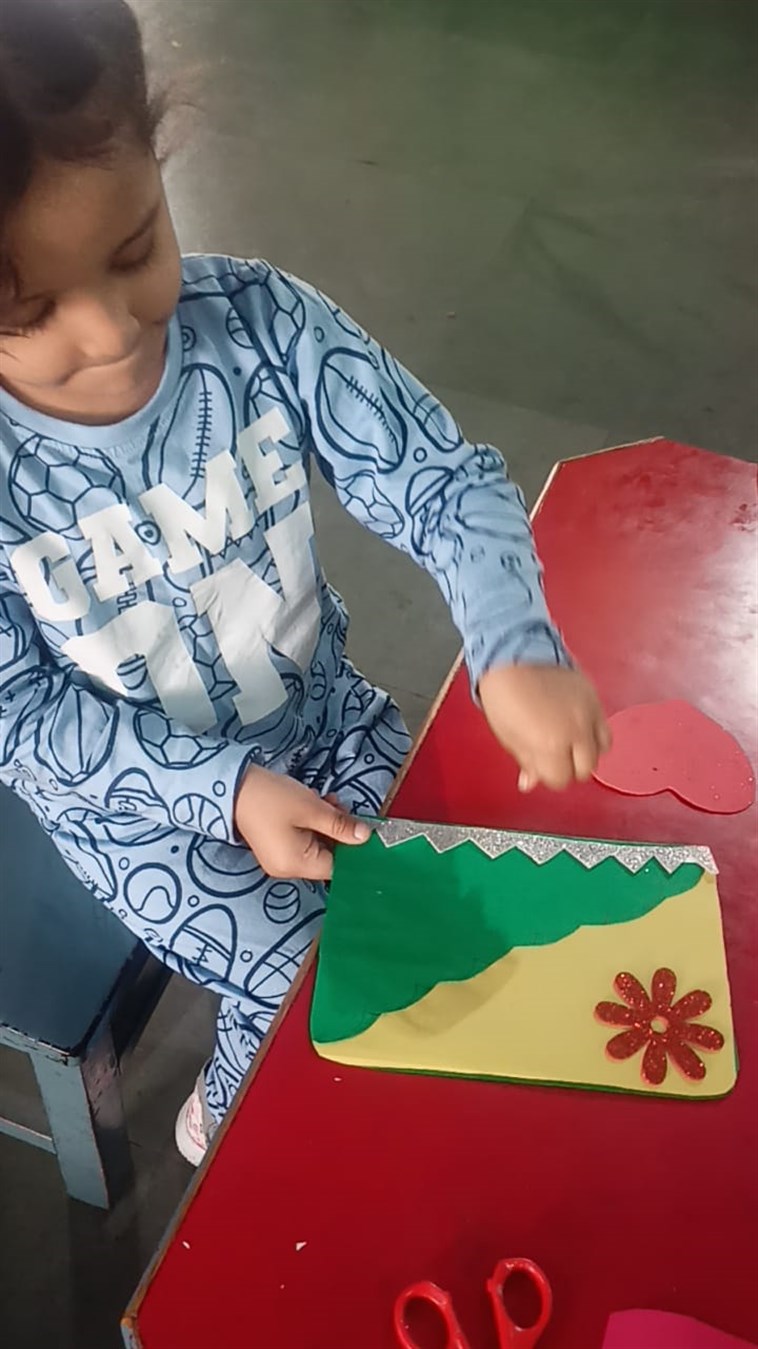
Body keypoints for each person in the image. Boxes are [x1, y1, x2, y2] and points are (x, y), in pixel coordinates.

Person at [0, 0, 609, 1165]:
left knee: (438, 911)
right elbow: (21, 716)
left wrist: (513, 643)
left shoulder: (261, 322)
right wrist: (226, 793)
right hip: (146, 816)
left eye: (133, 247)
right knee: (320, 987)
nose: (111, 330)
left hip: (325, 725)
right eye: (30, 313)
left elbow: (435, 476)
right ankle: (235, 1118)